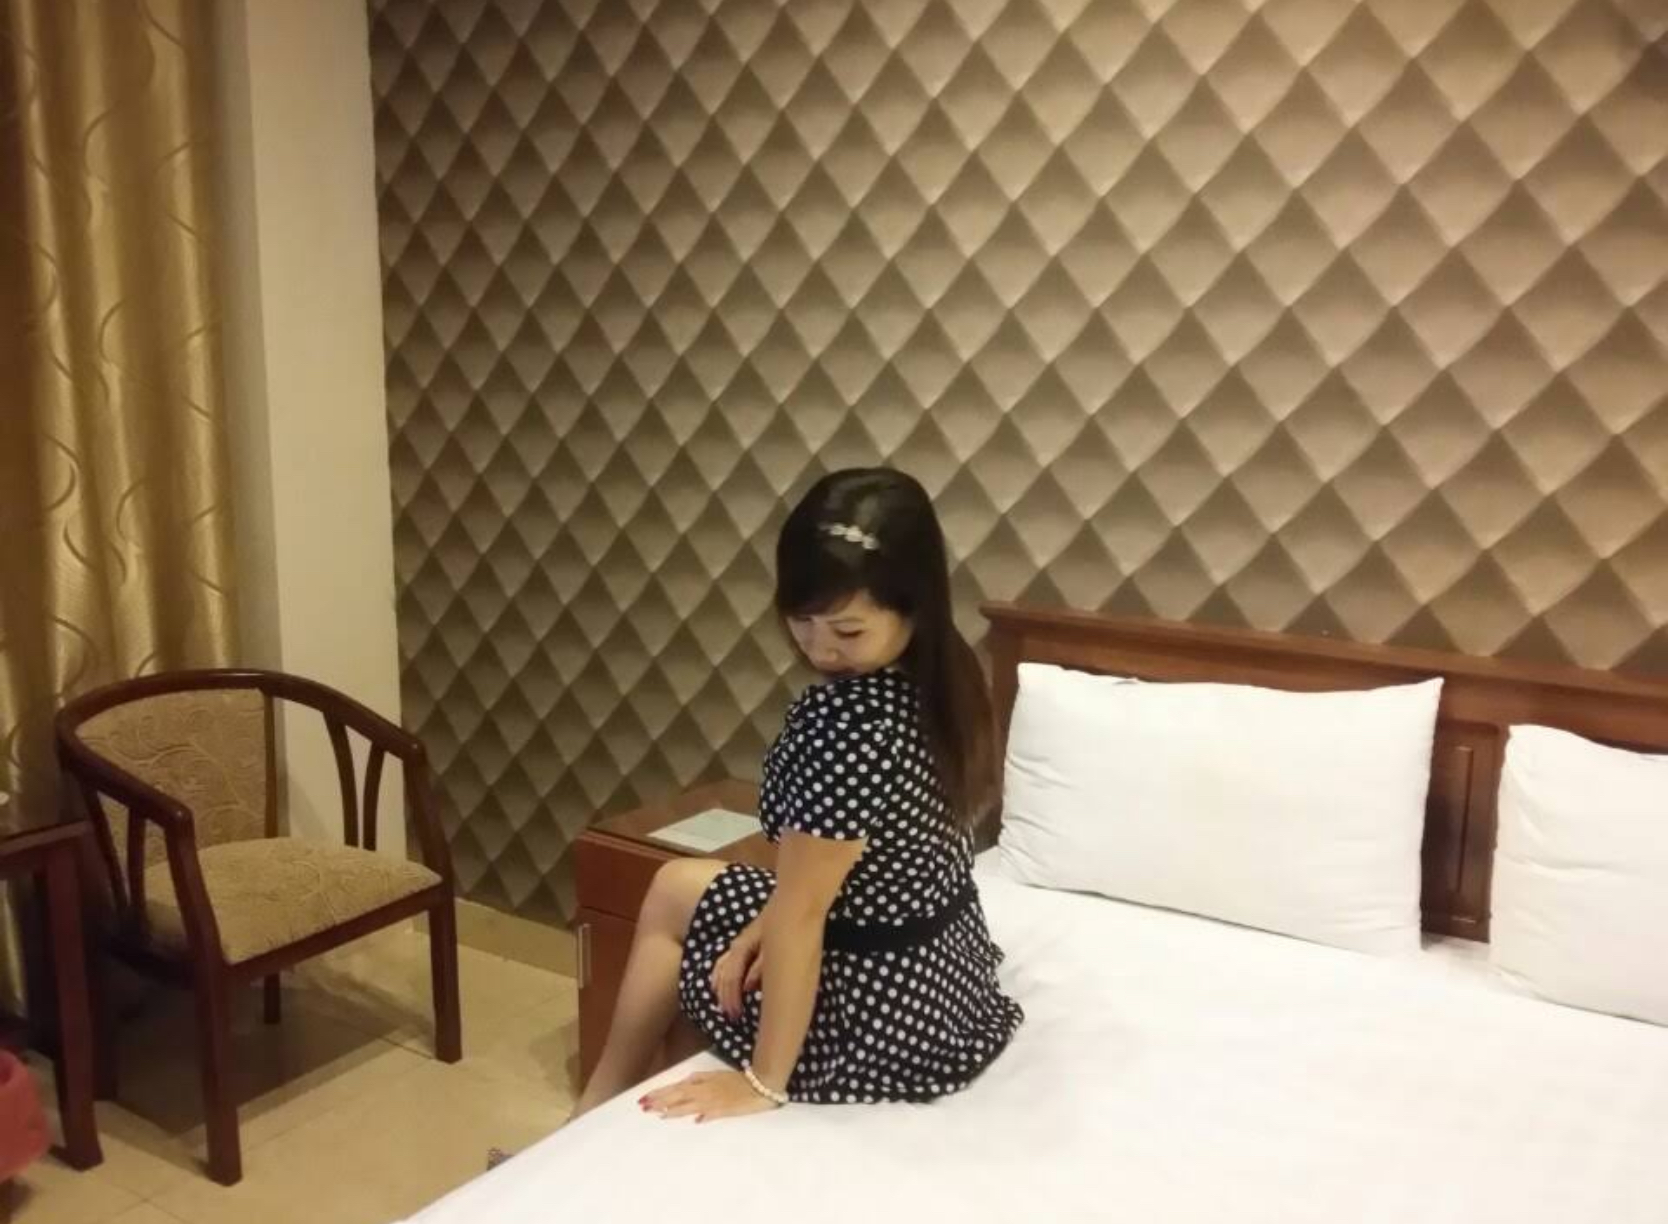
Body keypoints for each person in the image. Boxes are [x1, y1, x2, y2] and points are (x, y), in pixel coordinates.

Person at [572, 466, 1023, 1123]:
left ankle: (595, 1103)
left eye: (847, 631)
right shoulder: (948, 676)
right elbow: (877, 865)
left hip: (874, 1017)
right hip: (942, 984)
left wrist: (764, 1083)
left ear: (914, 606)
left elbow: (805, 912)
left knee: (676, 903)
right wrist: (760, 923)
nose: (820, 648)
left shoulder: (845, 727)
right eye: (803, 621)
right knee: (679, 885)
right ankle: (601, 1101)